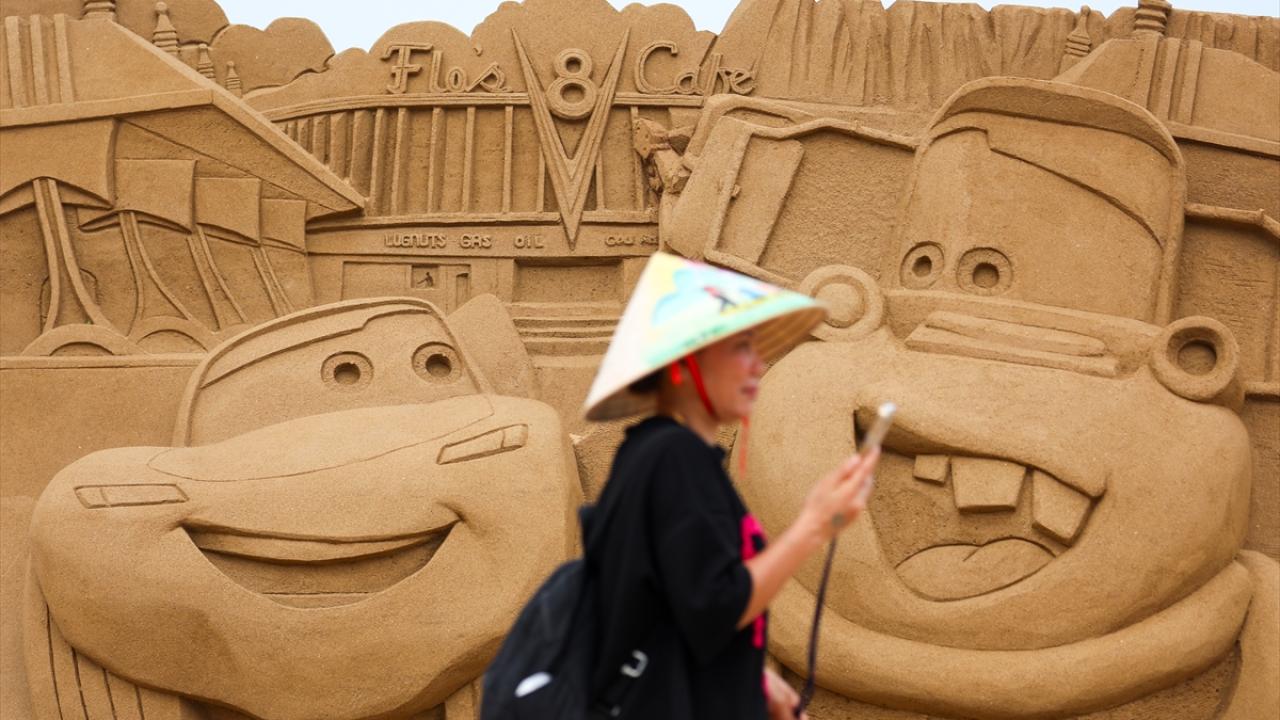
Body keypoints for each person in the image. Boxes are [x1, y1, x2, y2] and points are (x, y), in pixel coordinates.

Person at [580, 252, 881, 720]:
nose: (756, 367)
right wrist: (814, 525)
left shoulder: (657, 454)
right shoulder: (674, 459)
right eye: (739, 350)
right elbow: (713, 607)